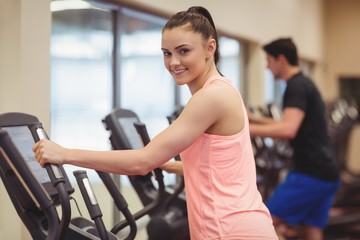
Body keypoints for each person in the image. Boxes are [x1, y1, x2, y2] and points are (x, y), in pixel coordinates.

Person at [33, 6, 277, 240]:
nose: (173, 62)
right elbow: (226, 167)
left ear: (209, 47)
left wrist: (64, 154)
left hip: (229, 230)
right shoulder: (223, 89)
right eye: (167, 53)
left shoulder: (211, 97)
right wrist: (178, 167)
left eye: (183, 51)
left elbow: (142, 161)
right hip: (235, 225)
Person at [248, 38, 340, 240]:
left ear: (281, 59)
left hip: (311, 173)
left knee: (265, 222)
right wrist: (252, 118)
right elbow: (288, 122)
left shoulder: (295, 86)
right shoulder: (304, 83)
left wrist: (243, 130)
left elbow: (288, 129)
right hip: (326, 172)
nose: (266, 66)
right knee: (312, 228)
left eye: (269, 60)